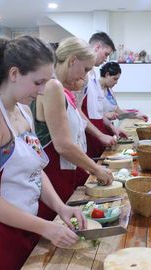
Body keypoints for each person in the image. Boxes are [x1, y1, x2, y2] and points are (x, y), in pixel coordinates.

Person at [0, 36, 86, 270]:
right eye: (38, 82)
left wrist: (60, 208)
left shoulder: (23, 111)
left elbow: (36, 170)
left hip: (27, 223)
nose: (42, 91)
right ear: (14, 73)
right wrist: (45, 227)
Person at [31, 37, 114, 221]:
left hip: (67, 172)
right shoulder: (52, 86)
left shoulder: (63, 89)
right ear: (72, 60)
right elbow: (63, 145)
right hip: (55, 175)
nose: (84, 77)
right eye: (84, 69)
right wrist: (95, 169)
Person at [79, 32, 125, 158]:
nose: (106, 59)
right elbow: (77, 110)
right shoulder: (82, 75)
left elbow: (98, 113)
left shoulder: (93, 74)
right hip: (89, 134)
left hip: (98, 132)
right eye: (106, 54)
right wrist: (100, 135)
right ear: (97, 47)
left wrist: (111, 127)